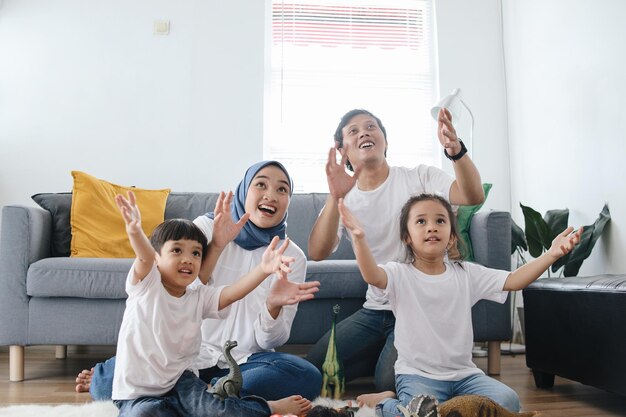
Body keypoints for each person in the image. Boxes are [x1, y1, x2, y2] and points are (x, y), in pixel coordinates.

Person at [76, 161, 321, 416]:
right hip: (185, 360)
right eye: (260, 184)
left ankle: (211, 395)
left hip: (245, 363)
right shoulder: (204, 229)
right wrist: (216, 244)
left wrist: (273, 306)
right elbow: (182, 290)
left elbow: (269, 339)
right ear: (244, 191)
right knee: (117, 380)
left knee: (306, 376)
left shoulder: (290, 256)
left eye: (282, 190)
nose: (271, 195)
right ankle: (213, 398)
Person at [337, 193, 582, 416]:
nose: (431, 227)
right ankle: (385, 403)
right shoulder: (399, 273)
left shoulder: (466, 273)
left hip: (465, 375)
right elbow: (372, 276)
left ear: (452, 236)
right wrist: (359, 239)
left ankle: (443, 407)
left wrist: (551, 254)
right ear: (407, 237)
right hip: (418, 376)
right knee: (414, 414)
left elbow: (514, 280)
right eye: (421, 222)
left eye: (440, 221)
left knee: (508, 401)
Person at [306, 108, 485, 395]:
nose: (364, 132)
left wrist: (455, 151)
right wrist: (335, 196)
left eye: (371, 127)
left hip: (416, 309)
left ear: (385, 142)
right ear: (342, 151)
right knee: (313, 370)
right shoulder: (345, 198)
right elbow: (317, 251)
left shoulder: (419, 177)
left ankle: (388, 363)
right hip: (375, 309)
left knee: (389, 384)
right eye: (353, 131)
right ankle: (381, 355)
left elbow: (473, 196)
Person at [111, 190, 295, 417]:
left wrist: (263, 270)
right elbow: (144, 258)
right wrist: (134, 230)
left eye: (196, 253)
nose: (188, 259)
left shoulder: (198, 295)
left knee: (216, 409)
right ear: (157, 259)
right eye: (177, 250)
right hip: (137, 393)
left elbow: (231, 293)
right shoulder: (146, 286)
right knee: (147, 413)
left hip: (181, 381)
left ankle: (266, 407)